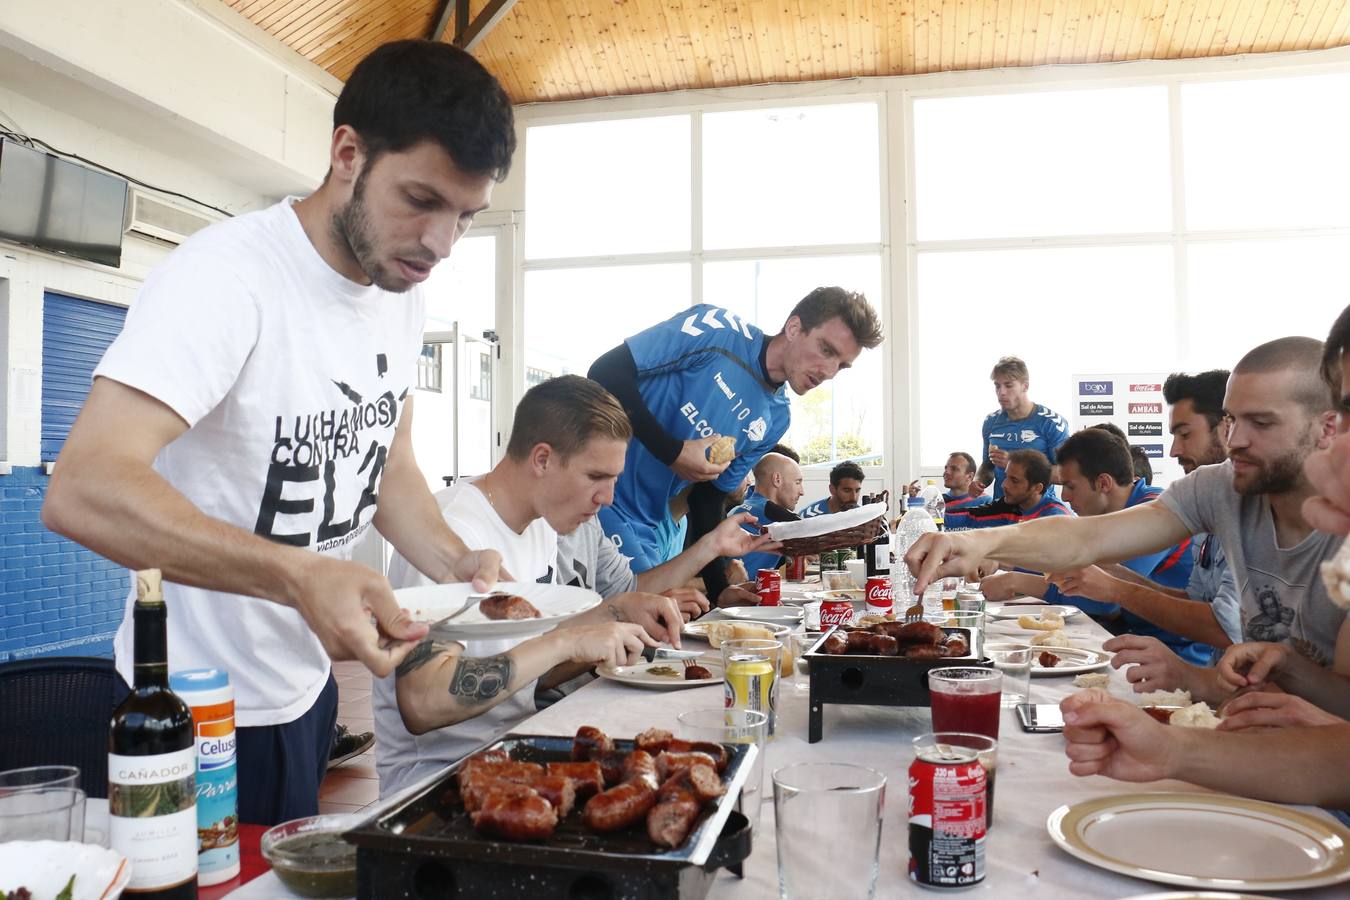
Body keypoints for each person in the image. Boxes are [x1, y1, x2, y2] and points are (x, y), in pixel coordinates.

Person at [40, 40, 514, 825]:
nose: (440, 243)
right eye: (421, 199)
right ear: (347, 153)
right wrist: (298, 576)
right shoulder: (225, 279)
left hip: (305, 695)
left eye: (464, 216)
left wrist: (453, 556)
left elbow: (385, 460)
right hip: (191, 708)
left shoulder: (401, 288)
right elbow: (83, 488)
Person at [375, 376, 775, 796]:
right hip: (438, 783)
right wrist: (569, 642)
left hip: (517, 750)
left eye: (615, 479)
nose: (607, 498)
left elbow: (522, 669)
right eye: (595, 476)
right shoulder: (454, 529)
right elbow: (422, 702)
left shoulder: (540, 526)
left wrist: (608, 619)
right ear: (543, 459)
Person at [906, 335, 1345, 709]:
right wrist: (980, 544)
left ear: (1328, 428)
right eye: (1231, 420)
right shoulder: (1219, 487)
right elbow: (1085, 538)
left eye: (1262, 423)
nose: (1237, 440)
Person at [588, 288, 883, 605]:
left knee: (653, 635)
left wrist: (719, 591)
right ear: (795, 328)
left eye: (841, 365)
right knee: (641, 623)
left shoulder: (776, 418)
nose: (829, 372)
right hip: (599, 497)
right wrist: (673, 451)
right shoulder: (718, 330)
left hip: (649, 525)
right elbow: (606, 371)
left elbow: (708, 498)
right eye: (826, 350)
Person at [1050, 371, 1242, 652]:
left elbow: (1225, 628)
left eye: (1185, 434)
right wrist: (1118, 575)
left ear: (1227, 428)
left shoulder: (1250, 508)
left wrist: (1117, 588)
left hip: (1195, 664)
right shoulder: (1207, 500)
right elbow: (1195, 602)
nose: (1174, 450)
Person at [981, 356, 1069, 501]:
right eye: (997, 386)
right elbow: (987, 466)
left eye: (1008, 385)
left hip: (1039, 512)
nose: (1001, 392)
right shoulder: (990, 421)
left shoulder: (1052, 423)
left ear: (1025, 386)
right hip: (1001, 509)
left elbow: (1065, 474)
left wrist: (1014, 464)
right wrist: (979, 482)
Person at [945, 449, 1069, 538]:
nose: (1004, 485)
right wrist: (928, 518)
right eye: (1006, 477)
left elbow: (1056, 565)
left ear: (1037, 488)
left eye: (1014, 481)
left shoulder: (1056, 517)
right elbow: (968, 517)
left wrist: (1000, 562)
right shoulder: (1007, 505)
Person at [726, 452, 804, 576]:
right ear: (777, 479)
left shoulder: (747, 504)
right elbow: (809, 527)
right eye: (798, 482)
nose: (802, 492)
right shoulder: (767, 510)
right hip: (739, 590)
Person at [800, 460, 864, 518]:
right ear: (832, 489)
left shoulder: (863, 516)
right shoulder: (809, 517)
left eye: (857, 490)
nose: (853, 497)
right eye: (847, 490)